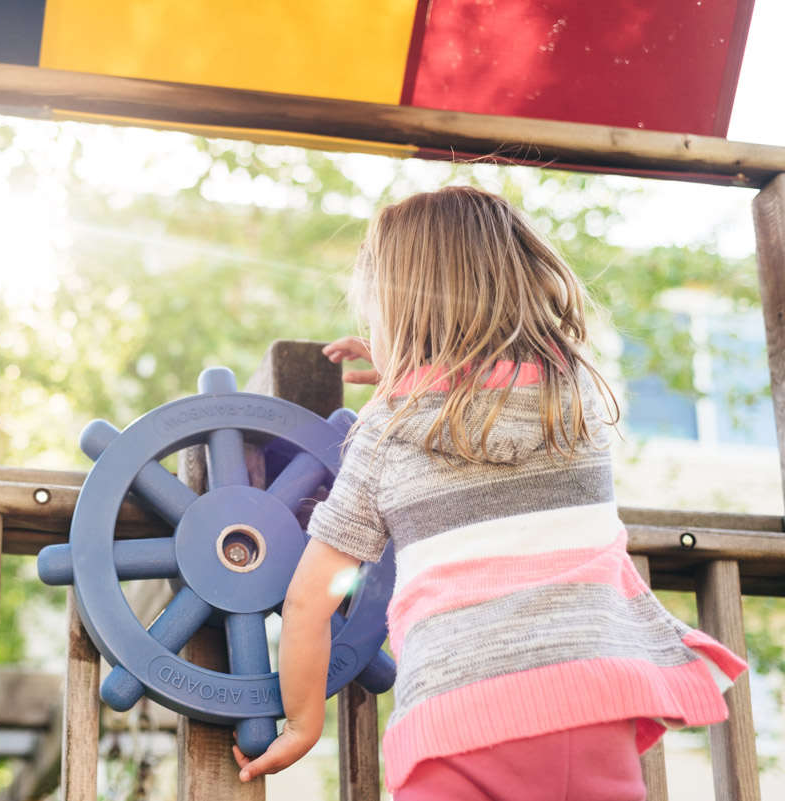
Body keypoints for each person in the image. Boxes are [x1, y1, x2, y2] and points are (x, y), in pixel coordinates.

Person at [231, 186, 747, 800]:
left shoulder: (385, 435)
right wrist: (413, 367)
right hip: (591, 697)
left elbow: (309, 600)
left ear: (398, 315)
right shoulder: (575, 394)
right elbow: (492, 369)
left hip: (455, 716)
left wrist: (302, 723)